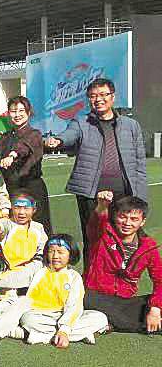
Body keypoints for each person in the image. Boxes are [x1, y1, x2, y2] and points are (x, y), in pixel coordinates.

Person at [46, 78, 147, 258]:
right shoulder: (81, 123)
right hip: (91, 195)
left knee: (124, 241)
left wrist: (141, 199)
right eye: (93, 96)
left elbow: (140, 164)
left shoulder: (131, 126)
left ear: (112, 97)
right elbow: (69, 135)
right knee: (93, 241)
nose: (98, 99)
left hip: (124, 194)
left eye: (103, 94)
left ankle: (121, 276)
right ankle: (91, 276)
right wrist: (59, 140)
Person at [0, 235, 109, 346]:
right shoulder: (39, 269)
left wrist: (64, 329)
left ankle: (35, 336)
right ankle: (80, 334)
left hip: (62, 315)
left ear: (71, 254)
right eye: (51, 251)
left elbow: (74, 305)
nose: (55, 256)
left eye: (60, 252)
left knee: (100, 318)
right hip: (37, 315)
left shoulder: (73, 276)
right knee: (28, 319)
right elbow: (18, 275)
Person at [83, 192, 162, 333]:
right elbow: (95, 223)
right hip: (94, 296)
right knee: (83, 298)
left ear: (142, 222)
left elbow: (159, 279)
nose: (127, 223)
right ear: (115, 216)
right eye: (123, 217)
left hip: (124, 302)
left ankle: (109, 322)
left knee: (154, 304)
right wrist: (102, 206)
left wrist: (155, 309)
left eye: (134, 219)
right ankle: (119, 322)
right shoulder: (102, 234)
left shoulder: (148, 246)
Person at [0, 96, 52, 233]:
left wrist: (12, 155)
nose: (17, 115)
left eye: (21, 111)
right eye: (13, 111)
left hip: (32, 189)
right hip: (12, 189)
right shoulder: (5, 137)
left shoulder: (35, 134)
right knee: (14, 230)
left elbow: (24, 147)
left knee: (38, 229)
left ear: (28, 113)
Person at [0, 191, 48, 268]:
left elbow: (43, 249)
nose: (21, 212)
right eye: (17, 208)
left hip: (32, 269)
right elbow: (0, 226)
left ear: (34, 210)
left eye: (26, 208)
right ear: (11, 208)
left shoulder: (38, 227)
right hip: (8, 271)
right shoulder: (7, 223)